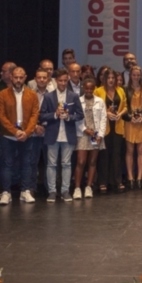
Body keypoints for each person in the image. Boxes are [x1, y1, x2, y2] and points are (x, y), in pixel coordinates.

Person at [0, 67, 40, 205]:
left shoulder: (32, 94)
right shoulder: (3, 94)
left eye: (21, 77)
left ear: (25, 77)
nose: (18, 80)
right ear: (11, 77)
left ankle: (25, 191)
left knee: (27, 164)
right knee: (7, 164)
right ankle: (6, 192)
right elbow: (0, 115)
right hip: (8, 136)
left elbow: (35, 114)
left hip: (27, 136)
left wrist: (26, 132)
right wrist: (15, 131)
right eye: (16, 77)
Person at [39, 69, 84, 202]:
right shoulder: (48, 96)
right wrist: (54, 115)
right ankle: (52, 191)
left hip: (68, 134)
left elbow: (80, 115)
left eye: (65, 80)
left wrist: (69, 117)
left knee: (66, 164)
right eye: (60, 81)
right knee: (51, 164)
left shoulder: (73, 96)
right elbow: (41, 115)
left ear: (68, 79)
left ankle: (65, 190)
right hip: (53, 134)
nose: (63, 83)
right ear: (55, 81)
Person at [73, 77, 106, 200]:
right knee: (81, 162)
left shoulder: (100, 101)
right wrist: (84, 129)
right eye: (86, 88)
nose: (88, 90)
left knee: (92, 162)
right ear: (83, 88)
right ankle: (77, 188)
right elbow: (76, 118)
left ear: (94, 89)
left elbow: (103, 118)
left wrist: (100, 135)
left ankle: (88, 187)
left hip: (95, 134)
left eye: (91, 88)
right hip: (83, 134)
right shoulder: (78, 100)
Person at [95, 69, 127, 193]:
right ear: (104, 79)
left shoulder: (120, 90)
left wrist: (120, 114)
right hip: (104, 127)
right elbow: (94, 107)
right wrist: (106, 113)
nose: (111, 80)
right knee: (104, 155)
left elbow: (125, 106)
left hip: (118, 126)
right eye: (109, 78)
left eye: (113, 78)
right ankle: (103, 182)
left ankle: (117, 181)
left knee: (117, 155)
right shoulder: (98, 91)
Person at [122, 66, 142, 189]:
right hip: (130, 123)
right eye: (134, 75)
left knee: (140, 150)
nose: (136, 77)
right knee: (129, 151)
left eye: (138, 75)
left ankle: (139, 178)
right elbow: (123, 105)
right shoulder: (124, 89)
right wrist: (130, 117)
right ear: (130, 75)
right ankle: (130, 177)